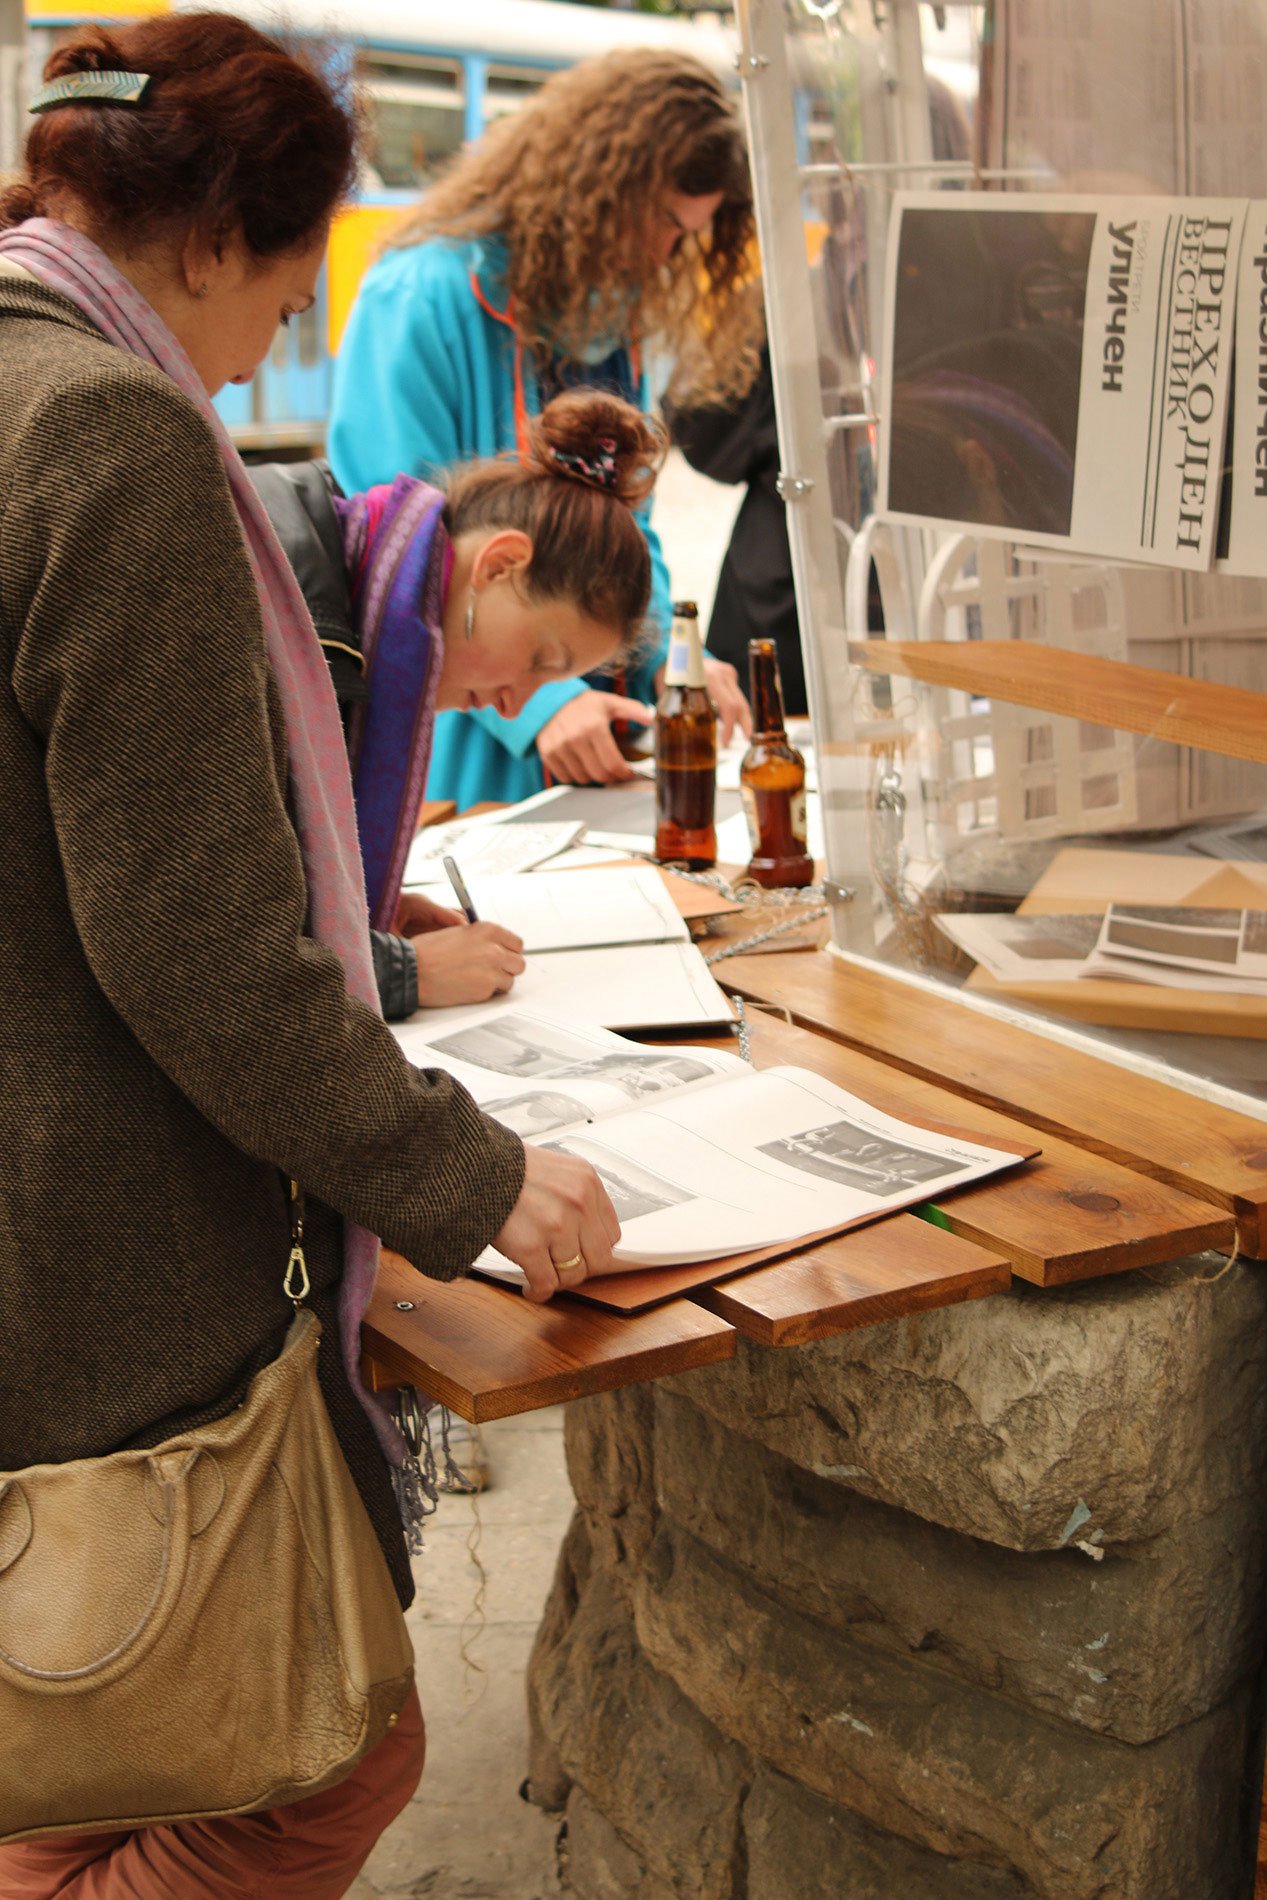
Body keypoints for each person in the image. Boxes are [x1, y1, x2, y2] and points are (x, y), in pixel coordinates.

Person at [0, 13, 618, 1896]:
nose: (270, 351)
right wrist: (465, 1174)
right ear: (207, 242)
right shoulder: (109, 435)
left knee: (75, 1714)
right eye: (279, 302)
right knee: (313, 1749)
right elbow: (199, 948)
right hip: (95, 1234)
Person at [329, 46, 764, 811]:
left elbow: (624, 528)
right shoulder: (420, 297)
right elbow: (395, 548)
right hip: (472, 733)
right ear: (599, 185)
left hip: (600, 739)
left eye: (687, 236)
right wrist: (544, 703)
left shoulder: (616, 318)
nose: (666, 255)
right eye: (665, 224)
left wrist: (671, 655)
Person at [249, 387, 668, 1020]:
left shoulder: (323, 580)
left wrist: (365, 916)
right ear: (500, 564)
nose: (513, 707)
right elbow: (211, 938)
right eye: (540, 660)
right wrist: (397, 971)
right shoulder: (274, 613)